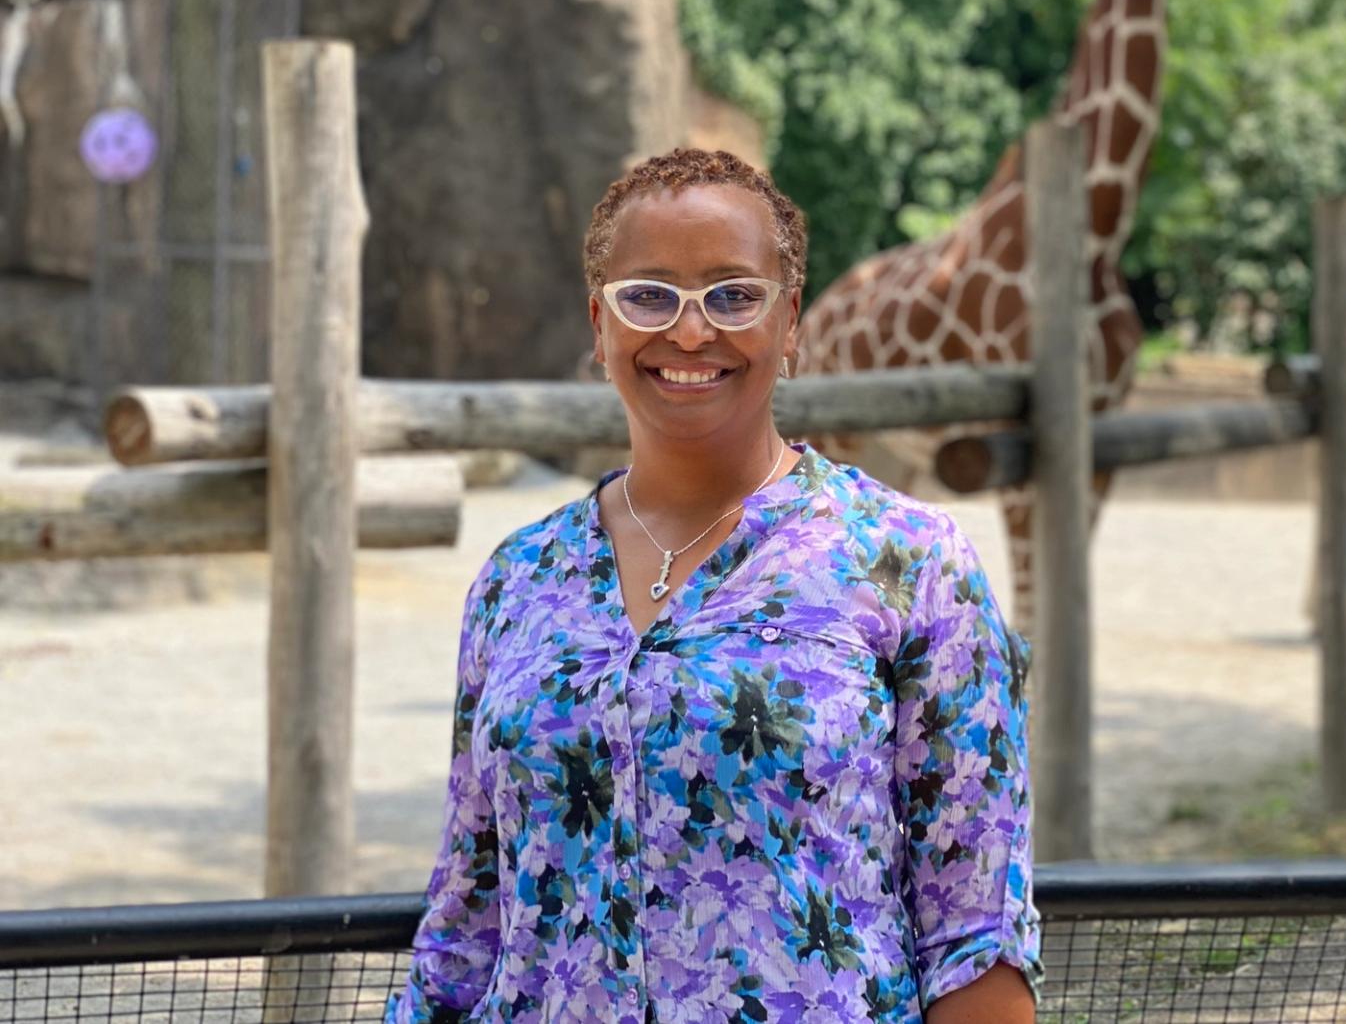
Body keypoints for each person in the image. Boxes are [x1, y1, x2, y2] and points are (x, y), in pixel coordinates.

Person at [388, 149, 1043, 1024]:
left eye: (734, 294)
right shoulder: (518, 582)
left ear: (791, 320)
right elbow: (465, 930)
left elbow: (976, 937)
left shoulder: (909, 564)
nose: (690, 332)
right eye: (649, 295)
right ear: (599, 322)